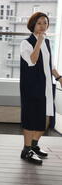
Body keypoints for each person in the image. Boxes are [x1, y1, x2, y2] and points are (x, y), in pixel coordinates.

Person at [20, 12, 61, 165]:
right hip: (32, 86)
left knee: (45, 117)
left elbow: (49, 65)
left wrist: (59, 77)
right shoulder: (26, 43)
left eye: (45, 22)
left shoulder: (47, 42)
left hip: (45, 86)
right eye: (39, 23)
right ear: (33, 25)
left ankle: (34, 145)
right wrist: (39, 41)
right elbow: (33, 60)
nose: (43, 26)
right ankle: (26, 150)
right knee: (31, 117)